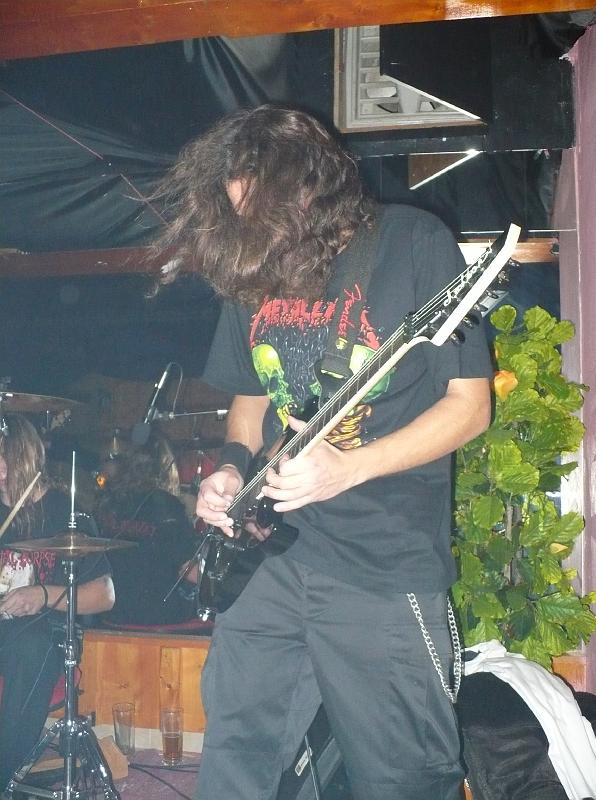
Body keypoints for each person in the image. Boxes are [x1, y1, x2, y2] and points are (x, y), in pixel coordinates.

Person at [158, 105, 493, 800]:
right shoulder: (255, 272)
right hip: (272, 557)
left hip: (382, 561)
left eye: (261, 211)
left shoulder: (412, 243)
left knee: (403, 776)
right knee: (236, 754)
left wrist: (349, 467)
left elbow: (469, 407)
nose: (250, 229)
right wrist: (231, 468)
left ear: (311, 186)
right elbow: (250, 402)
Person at [0, 413, 114, 790]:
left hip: (44, 632)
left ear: (26, 458)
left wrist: (43, 595)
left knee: (29, 646)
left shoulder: (66, 513)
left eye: (5, 461)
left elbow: (105, 595)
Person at [94, 432, 200, 626]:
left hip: (111, 614)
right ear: (166, 467)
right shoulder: (167, 505)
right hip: (159, 617)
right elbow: (190, 571)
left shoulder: (107, 504)